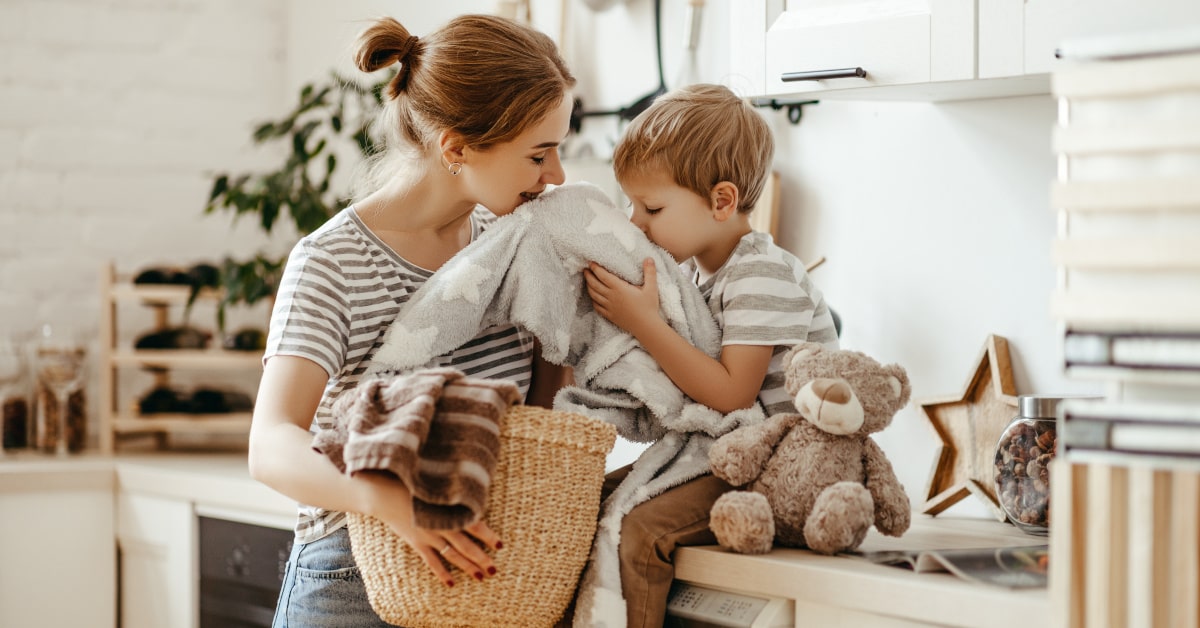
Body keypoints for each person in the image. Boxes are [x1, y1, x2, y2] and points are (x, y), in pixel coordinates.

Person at [248, 14, 576, 627]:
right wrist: (387, 501)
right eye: (539, 153)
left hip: (487, 571)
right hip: (354, 574)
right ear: (456, 148)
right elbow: (269, 445)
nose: (556, 175)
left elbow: (541, 412)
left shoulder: (513, 246)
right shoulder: (332, 261)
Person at [582, 83, 840, 627]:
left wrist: (644, 323)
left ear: (722, 201)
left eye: (651, 206)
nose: (636, 223)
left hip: (773, 467)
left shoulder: (762, 272)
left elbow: (731, 393)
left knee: (638, 530)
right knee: (582, 501)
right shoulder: (699, 276)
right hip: (726, 454)